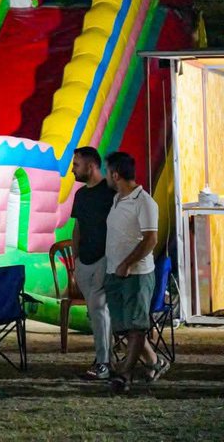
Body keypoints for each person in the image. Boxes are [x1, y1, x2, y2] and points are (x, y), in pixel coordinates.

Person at [103, 151, 165, 393]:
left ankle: (124, 374)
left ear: (115, 175)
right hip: (114, 272)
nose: (107, 177)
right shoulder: (117, 198)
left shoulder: (144, 202)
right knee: (124, 327)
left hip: (136, 274)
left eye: (108, 172)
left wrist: (127, 263)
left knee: (137, 325)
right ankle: (154, 361)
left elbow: (151, 239)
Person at [70, 146, 115, 381]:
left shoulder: (110, 191)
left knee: (99, 310)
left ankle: (104, 362)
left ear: (91, 166)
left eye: (76, 165)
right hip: (84, 261)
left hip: (105, 260)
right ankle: (105, 358)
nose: (72, 170)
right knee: (95, 312)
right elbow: (77, 228)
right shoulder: (80, 195)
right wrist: (76, 259)